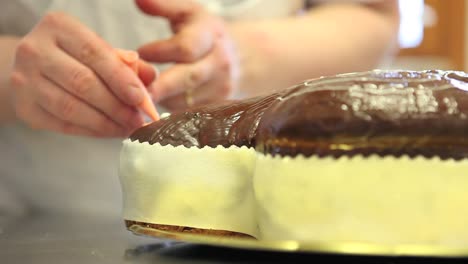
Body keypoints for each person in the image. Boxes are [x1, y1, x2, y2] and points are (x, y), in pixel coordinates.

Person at [0, 0, 400, 224]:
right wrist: (14, 71)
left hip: (277, 213)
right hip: (37, 218)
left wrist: (244, 57)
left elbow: (372, 14)